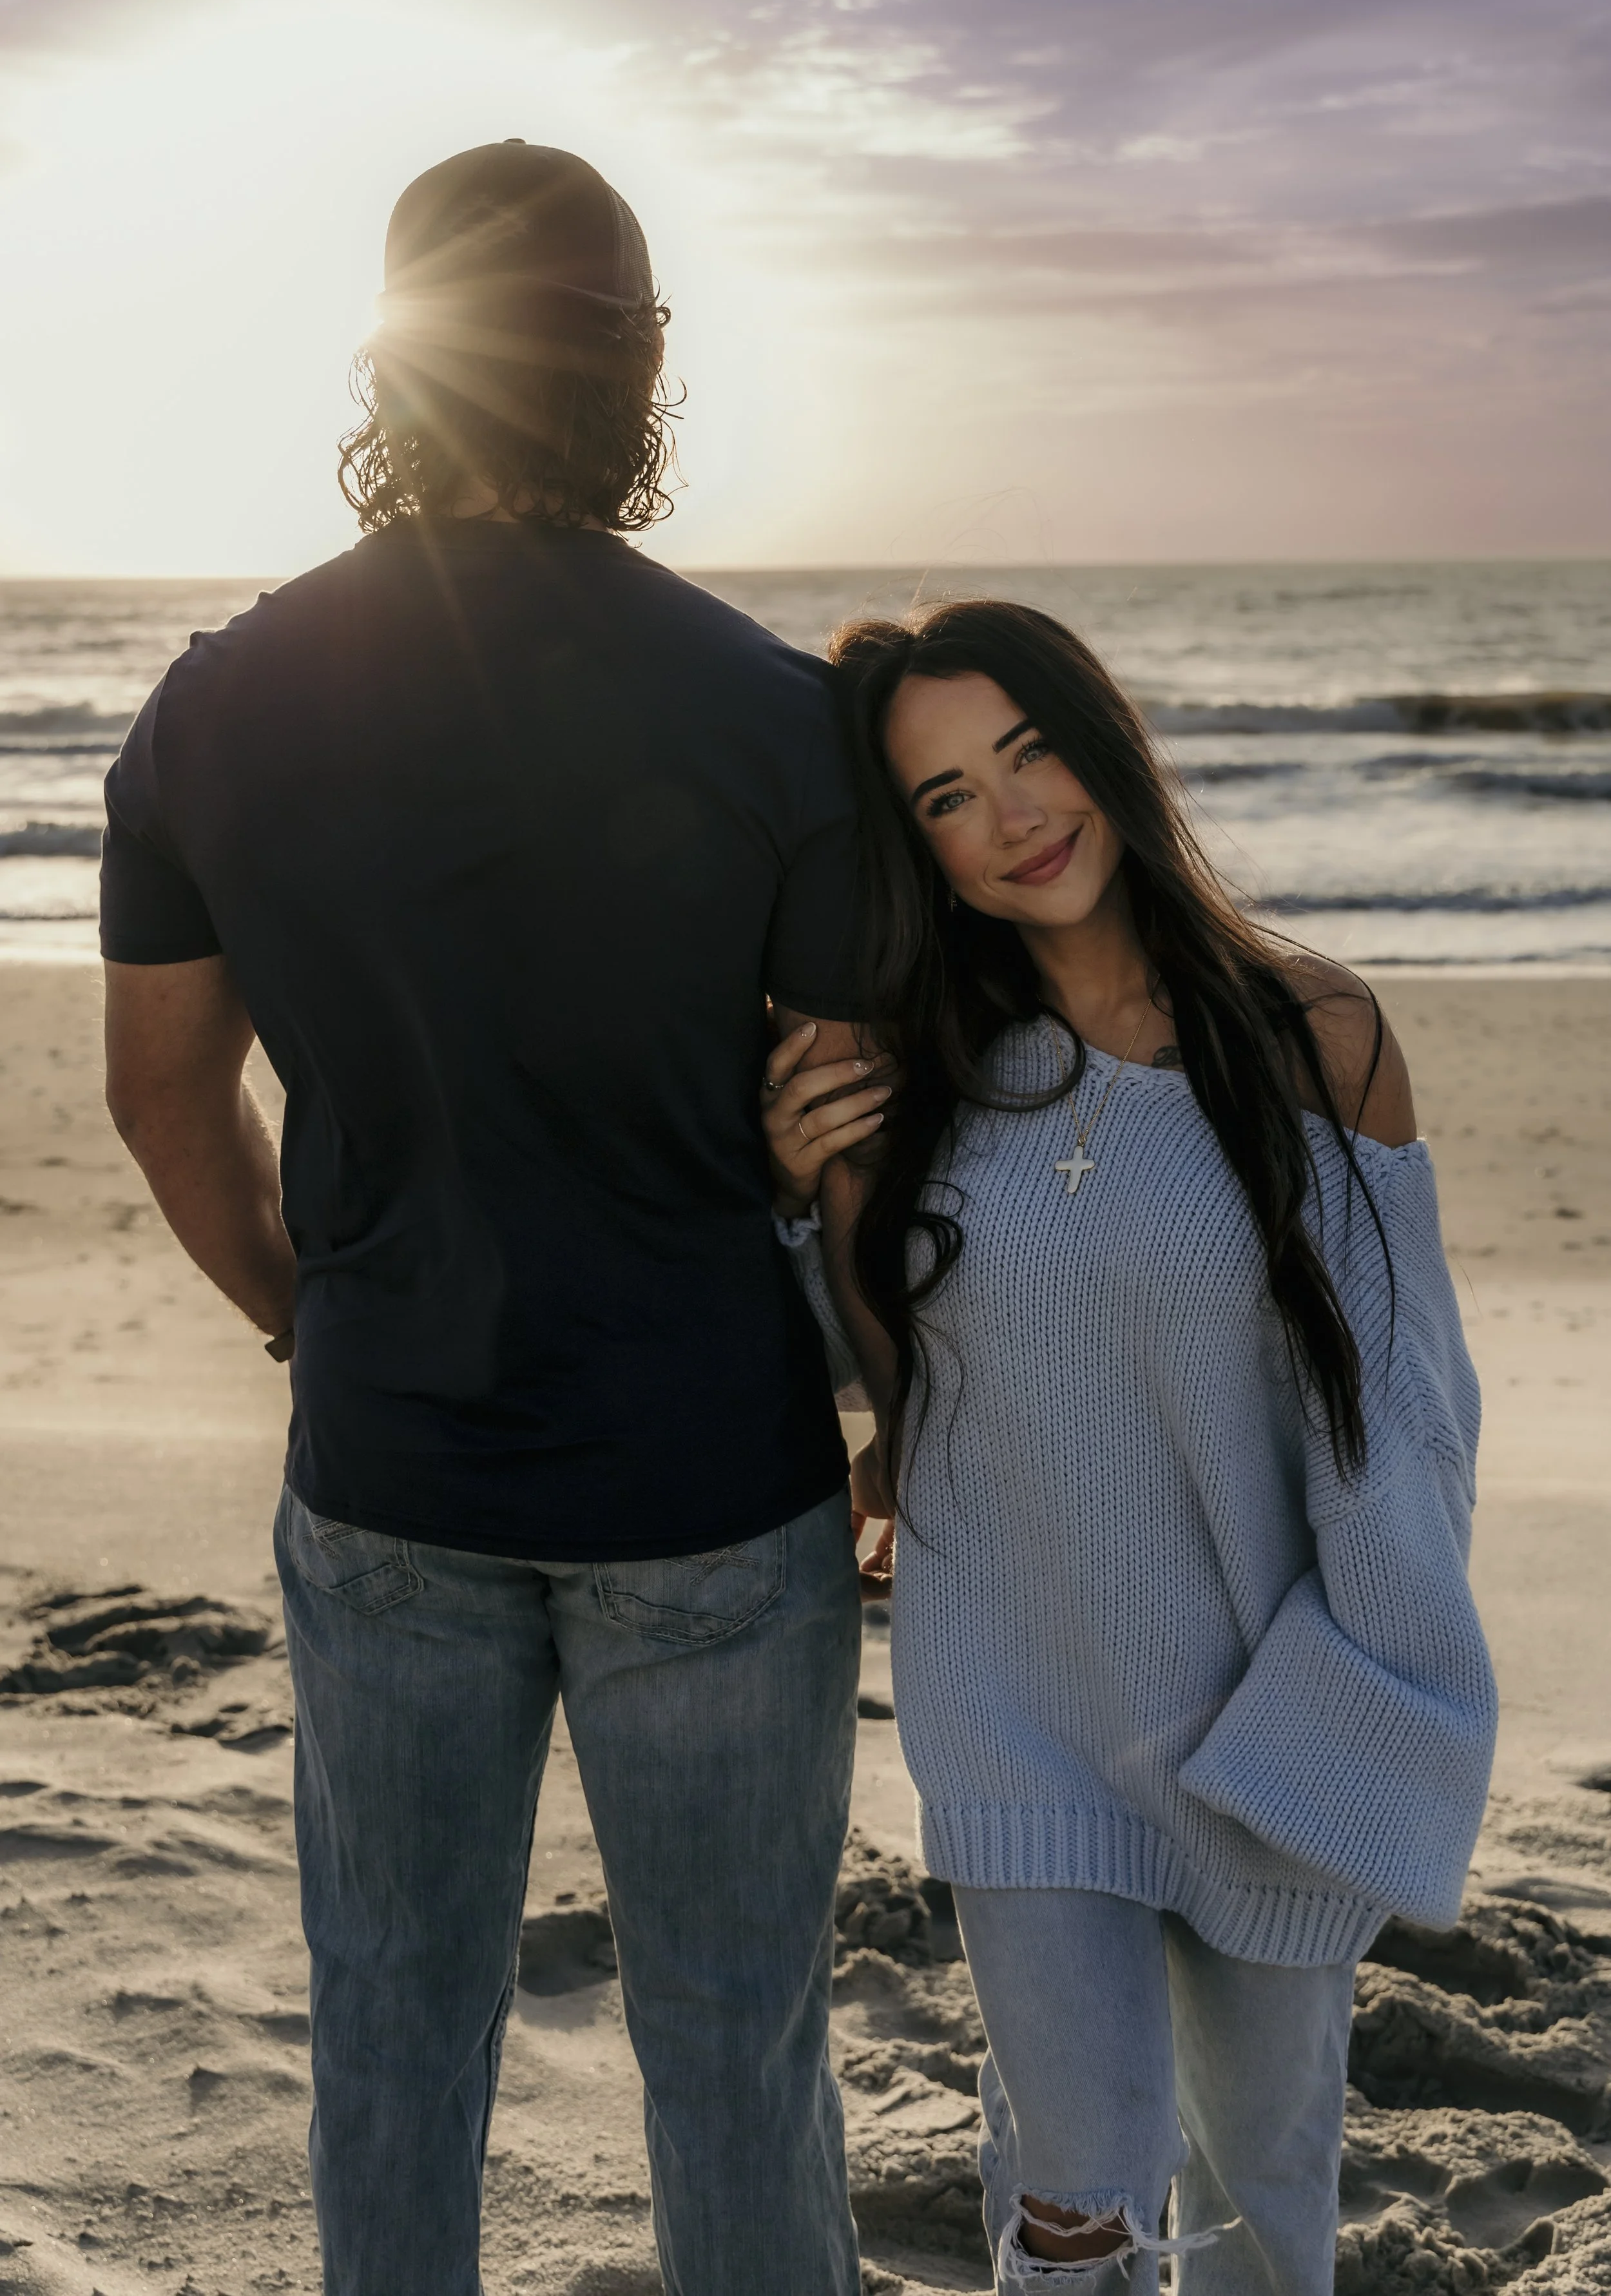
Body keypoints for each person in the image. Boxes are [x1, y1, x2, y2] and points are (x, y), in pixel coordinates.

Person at [98, 142, 871, 2296]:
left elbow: (166, 1108)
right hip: (713, 1475)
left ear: (393, 361)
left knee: (392, 2032)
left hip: (390, 1465)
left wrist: (311, 1313)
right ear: (640, 377)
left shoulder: (216, 703)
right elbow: (851, 1131)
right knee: (737, 2048)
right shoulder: (772, 714)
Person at [763, 599, 1497, 2295]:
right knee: (1071, 2208)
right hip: (1019, 1713)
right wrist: (811, 1195)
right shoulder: (919, 1070)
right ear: (918, 848)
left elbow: (1403, 1430)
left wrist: (1350, 1727)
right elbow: (910, 1399)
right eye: (947, 794)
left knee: (1258, 2199)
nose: (1013, 815)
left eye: (1026, 752)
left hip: (1266, 1722)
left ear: (1103, 744)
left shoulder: (1316, 1030)